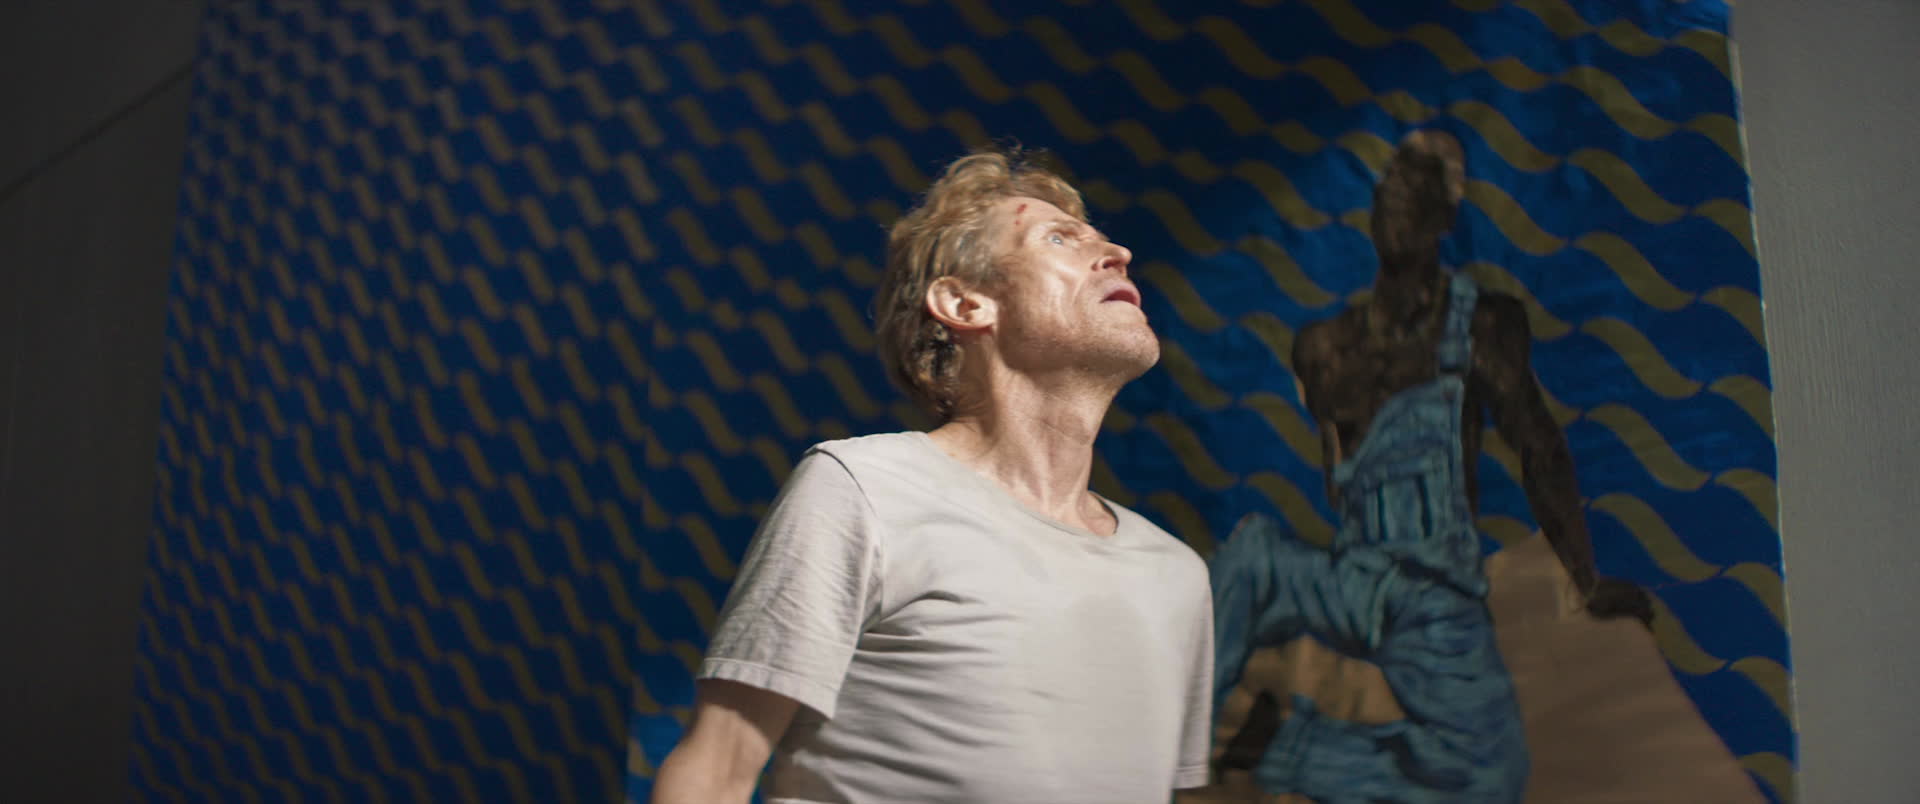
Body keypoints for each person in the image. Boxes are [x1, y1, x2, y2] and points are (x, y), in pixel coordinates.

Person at [650, 149, 1215, 803]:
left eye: (1103, 239)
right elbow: (716, 772)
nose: (1118, 252)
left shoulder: (1175, 573)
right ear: (964, 303)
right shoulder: (865, 489)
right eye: (1059, 239)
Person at [1207, 131, 1653, 803]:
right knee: (1250, 562)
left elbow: (1540, 449)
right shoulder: (1323, 346)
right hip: (1350, 579)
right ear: (1370, 212)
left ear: (1446, 216)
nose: (1397, 206)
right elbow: (1338, 478)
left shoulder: (1481, 326)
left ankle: (1278, 747)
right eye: (1389, 192)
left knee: (1490, 777)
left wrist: (1584, 581)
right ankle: (1166, 744)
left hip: (1430, 598)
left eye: (1416, 193)